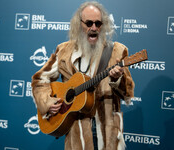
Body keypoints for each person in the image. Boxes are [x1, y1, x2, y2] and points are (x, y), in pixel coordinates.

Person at [31, 1, 134, 150]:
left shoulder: (117, 51)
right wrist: (47, 102)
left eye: (98, 24)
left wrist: (117, 78)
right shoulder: (64, 50)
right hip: (76, 133)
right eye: (89, 23)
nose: (94, 28)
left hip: (106, 131)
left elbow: (127, 93)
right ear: (79, 24)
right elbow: (40, 79)